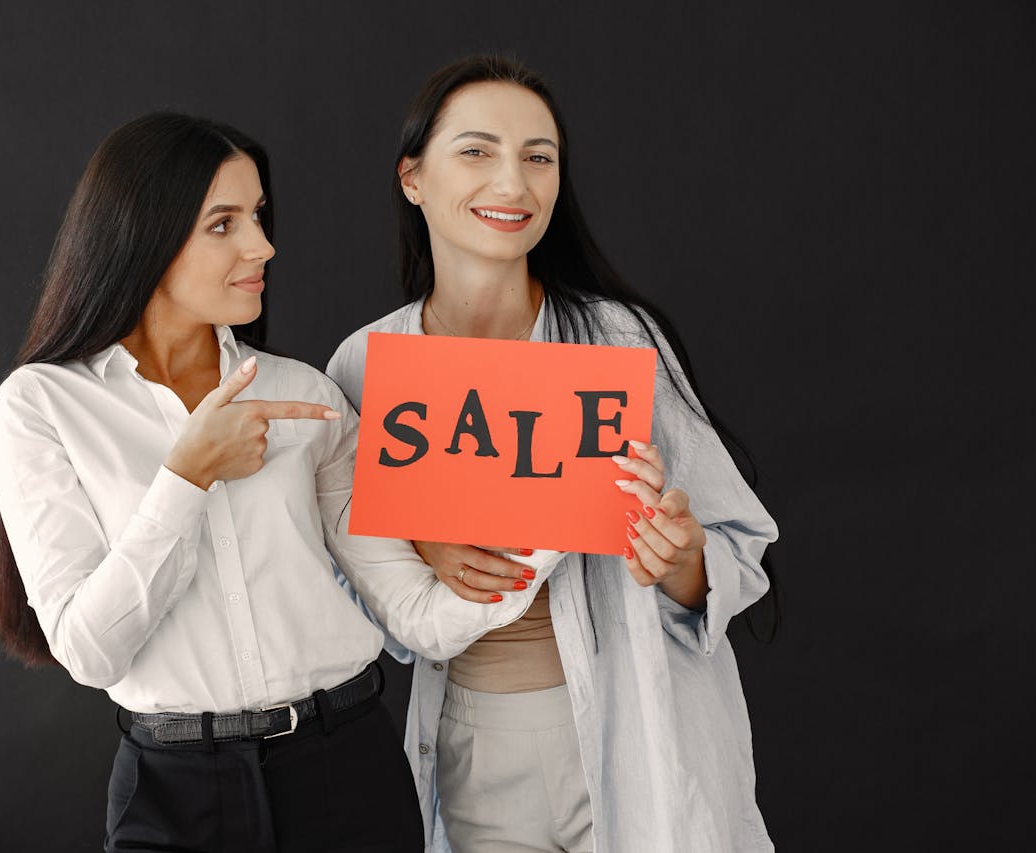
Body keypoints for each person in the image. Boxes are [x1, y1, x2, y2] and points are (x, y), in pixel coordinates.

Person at [0, 112, 553, 853]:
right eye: (224, 224)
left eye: (256, 215)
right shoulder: (44, 405)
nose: (263, 246)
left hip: (344, 771)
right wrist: (188, 474)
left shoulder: (305, 394)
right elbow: (92, 652)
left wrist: (541, 538)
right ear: (142, 234)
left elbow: (411, 611)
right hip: (174, 791)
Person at [327, 56, 780, 852]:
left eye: (539, 157)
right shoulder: (365, 366)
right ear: (412, 177)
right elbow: (346, 585)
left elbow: (738, 548)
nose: (514, 181)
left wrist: (679, 560)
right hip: (474, 738)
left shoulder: (617, 339)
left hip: (634, 721)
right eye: (476, 151)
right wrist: (411, 536)